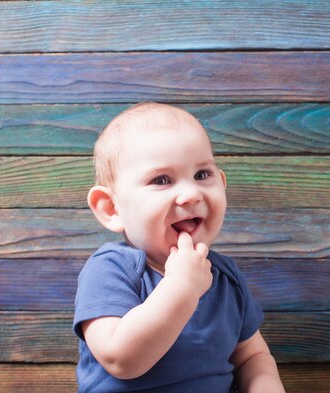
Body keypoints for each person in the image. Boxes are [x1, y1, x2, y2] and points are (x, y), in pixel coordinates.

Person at [73, 102, 285, 392]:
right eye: (161, 180)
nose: (190, 193)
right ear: (112, 208)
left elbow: (252, 356)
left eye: (202, 175)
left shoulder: (225, 276)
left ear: (222, 184)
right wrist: (182, 286)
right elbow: (121, 359)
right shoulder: (111, 270)